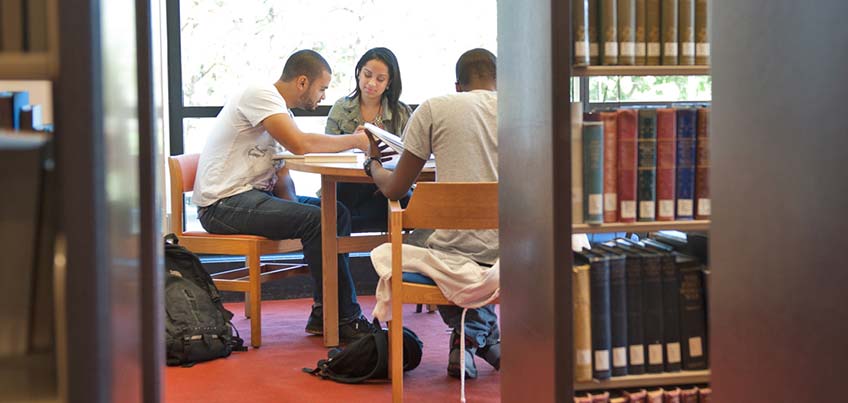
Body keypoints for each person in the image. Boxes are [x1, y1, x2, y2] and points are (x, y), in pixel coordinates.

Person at [192, 49, 376, 341]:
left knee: (333, 212)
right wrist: (356, 141)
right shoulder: (260, 94)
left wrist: (292, 213)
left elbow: (282, 175)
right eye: (322, 88)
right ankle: (345, 318)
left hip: (252, 198)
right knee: (317, 220)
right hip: (223, 203)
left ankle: (324, 312)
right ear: (303, 82)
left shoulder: (280, 112)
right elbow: (300, 144)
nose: (323, 96)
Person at [364, 48, 501, 379]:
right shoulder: (530, 109)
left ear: (457, 85)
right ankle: (483, 337)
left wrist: (373, 166)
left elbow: (395, 190)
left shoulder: (435, 107)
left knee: (424, 234)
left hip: (456, 244)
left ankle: (470, 336)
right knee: (456, 236)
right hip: (520, 243)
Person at [325, 47, 413, 232]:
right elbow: (326, 152)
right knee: (338, 203)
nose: (371, 83)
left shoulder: (401, 112)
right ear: (358, 73)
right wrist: (353, 141)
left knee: (410, 199)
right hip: (348, 185)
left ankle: (405, 257)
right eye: (367, 75)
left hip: (388, 186)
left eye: (380, 79)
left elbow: (412, 154)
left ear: (389, 83)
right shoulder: (341, 108)